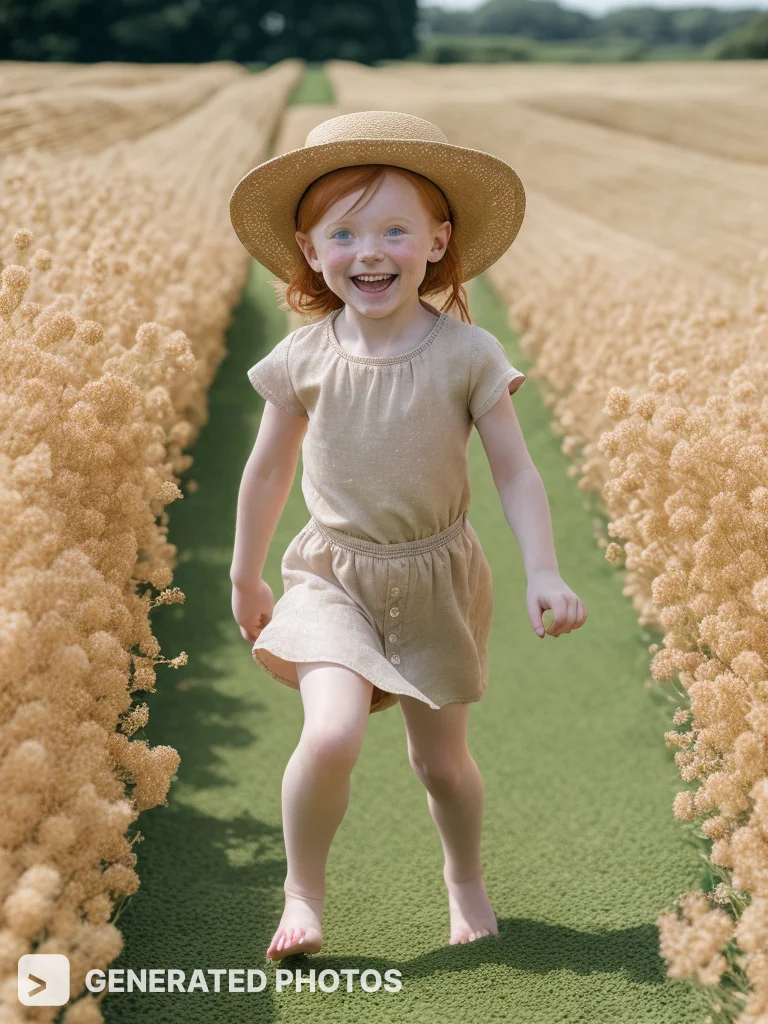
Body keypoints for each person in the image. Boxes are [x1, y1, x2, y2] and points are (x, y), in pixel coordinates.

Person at [228, 110, 587, 962]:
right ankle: (303, 897)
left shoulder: (468, 354)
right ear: (311, 252)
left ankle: (464, 878)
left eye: (396, 228)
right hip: (330, 576)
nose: (371, 251)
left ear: (438, 240)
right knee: (333, 732)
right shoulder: (301, 358)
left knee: (443, 768)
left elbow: (514, 472)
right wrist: (247, 578)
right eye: (343, 232)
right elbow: (266, 474)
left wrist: (544, 569)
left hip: (438, 580)